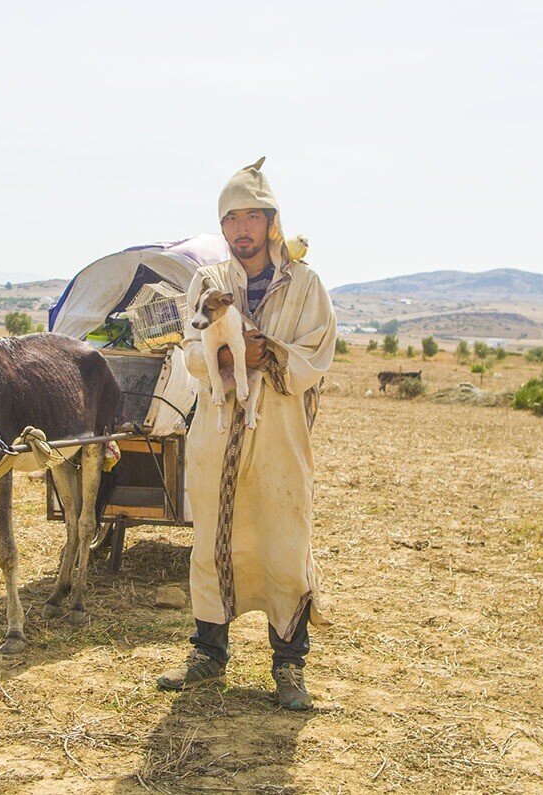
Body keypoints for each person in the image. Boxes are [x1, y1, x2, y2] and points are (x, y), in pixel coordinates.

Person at [156, 157, 337, 710]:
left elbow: (317, 354)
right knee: (214, 540)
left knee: (285, 542)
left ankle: (289, 667)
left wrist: (268, 354)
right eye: (231, 218)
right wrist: (230, 356)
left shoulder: (306, 285)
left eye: (252, 217)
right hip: (217, 431)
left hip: (280, 435)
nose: (241, 229)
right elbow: (190, 352)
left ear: (271, 222)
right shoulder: (207, 284)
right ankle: (208, 656)